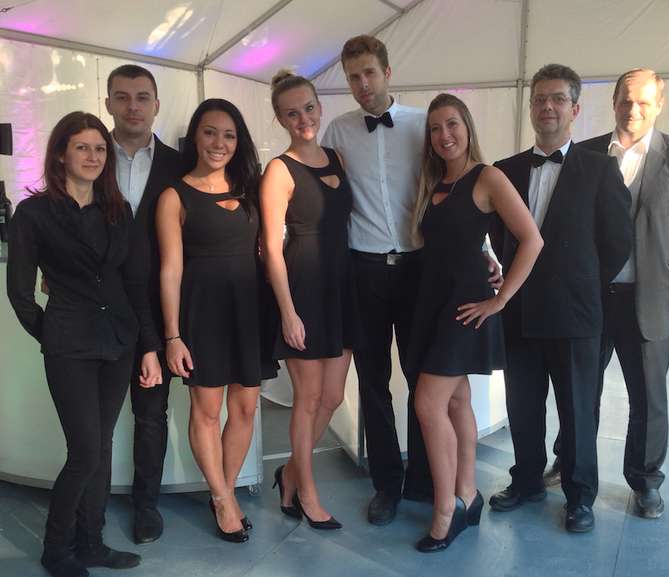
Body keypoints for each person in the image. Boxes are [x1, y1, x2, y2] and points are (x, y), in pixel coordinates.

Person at [322, 34, 502, 526]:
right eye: (353, 76)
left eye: (369, 73)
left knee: (425, 379)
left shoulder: (425, 125)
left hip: (422, 272)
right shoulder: (337, 132)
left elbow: (456, 195)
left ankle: (426, 479)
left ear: (387, 72)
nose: (362, 84)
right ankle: (387, 484)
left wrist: (481, 251)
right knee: (373, 380)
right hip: (364, 269)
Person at [7, 111, 162, 577]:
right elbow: (20, 293)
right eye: (82, 147)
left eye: (99, 149)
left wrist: (148, 345)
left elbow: (134, 284)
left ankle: (91, 543)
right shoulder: (34, 213)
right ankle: (56, 549)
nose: (93, 156)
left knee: (103, 446)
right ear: (61, 154)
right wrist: (54, 335)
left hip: (118, 342)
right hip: (69, 346)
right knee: (86, 452)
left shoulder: (118, 210)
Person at [544, 69, 669, 518]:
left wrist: (663, 263)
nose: (633, 109)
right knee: (579, 390)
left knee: (648, 397)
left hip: (649, 298)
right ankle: (569, 460)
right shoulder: (585, 153)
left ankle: (646, 480)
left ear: (659, 105)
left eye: (643, 102)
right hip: (591, 297)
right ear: (613, 102)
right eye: (625, 100)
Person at [488, 64, 632, 533]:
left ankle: (580, 496)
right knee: (523, 405)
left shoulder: (600, 168)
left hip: (576, 312)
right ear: (531, 107)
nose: (546, 107)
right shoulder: (506, 170)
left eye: (557, 99)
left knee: (578, 410)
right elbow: (499, 235)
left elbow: (618, 240)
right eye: (539, 99)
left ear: (575, 109)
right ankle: (527, 480)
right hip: (520, 311)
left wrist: (582, 283)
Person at [408, 94, 543, 552]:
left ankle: (445, 509)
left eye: (452, 124)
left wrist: (501, 299)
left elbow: (532, 239)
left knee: (428, 404)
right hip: (432, 302)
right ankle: (467, 493)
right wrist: (486, 259)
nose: (444, 135)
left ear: (467, 127)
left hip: (465, 307)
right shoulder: (433, 181)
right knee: (455, 400)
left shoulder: (488, 177)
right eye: (435, 128)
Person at [156, 98, 267, 543]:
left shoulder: (251, 188)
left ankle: (226, 490)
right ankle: (222, 499)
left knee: (245, 408)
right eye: (209, 132)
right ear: (195, 137)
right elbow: (170, 270)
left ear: (239, 142)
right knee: (206, 411)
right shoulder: (174, 195)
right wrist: (172, 336)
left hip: (248, 311)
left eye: (229, 135)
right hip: (201, 314)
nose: (219, 143)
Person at [261, 70, 356, 530]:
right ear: (280, 119)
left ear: (320, 106)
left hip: (342, 287)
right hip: (303, 290)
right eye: (292, 113)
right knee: (309, 396)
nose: (303, 119)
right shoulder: (279, 170)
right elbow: (270, 247)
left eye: (309, 108)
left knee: (332, 396)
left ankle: (289, 473)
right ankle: (307, 492)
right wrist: (287, 312)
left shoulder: (338, 156)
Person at [104, 63, 181, 544]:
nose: (132, 106)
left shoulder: (179, 164)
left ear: (156, 105)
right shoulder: (89, 154)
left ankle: (145, 506)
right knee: (95, 417)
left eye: (142, 97)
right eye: (122, 96)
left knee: (151, 414)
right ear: (108, 103)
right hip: (99, 308)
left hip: (158, 311)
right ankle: (87, 507)